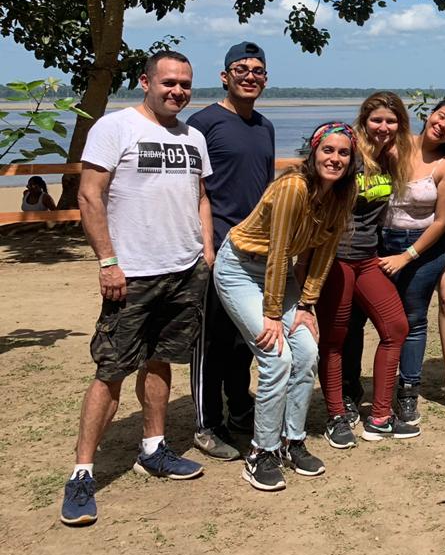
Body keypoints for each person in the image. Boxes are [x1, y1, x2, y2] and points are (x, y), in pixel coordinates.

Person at [61, 50, 214, 527]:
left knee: (161, 359)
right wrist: (107, 261)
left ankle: (154, 447)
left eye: (185, 84)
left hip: (184, 269)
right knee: (112, 369)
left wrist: (205, 252)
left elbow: (201, 196)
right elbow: (90, 194)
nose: (177, 91)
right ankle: (83, 472)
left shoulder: (193, 136)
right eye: (168, 82)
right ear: (146, 81)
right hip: (132, 272)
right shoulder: (114, 127)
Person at [215, 121, 356, 490]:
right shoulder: (294, 186)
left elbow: (325, 252)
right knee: (276, 355)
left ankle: (293, 440)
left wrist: (308, 304)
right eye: (328, 150)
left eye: (343, 153)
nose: (335, 158)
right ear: (313, 152)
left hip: (282, 278)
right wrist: (273, 314)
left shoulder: (344, 193)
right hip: (241, 269)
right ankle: (262, 451)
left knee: (307, 352)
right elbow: (278, 252)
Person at [187, 41, 275, 462]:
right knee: (211, 343)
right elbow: (192, 190)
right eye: (241, 69)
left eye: (258, 70)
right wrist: (204, 245)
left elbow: (266, 193)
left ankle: (240, 407)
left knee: (245, 336)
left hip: (254, 251)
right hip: (215, 247)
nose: (250, 76)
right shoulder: (202, 123)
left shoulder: (264, 127)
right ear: (224, 76)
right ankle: (207, 424)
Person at [373, 99, 445, 415]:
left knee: (413, 319)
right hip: (380, 240)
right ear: (429, 115)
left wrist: (407, 256)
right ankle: (367, 389)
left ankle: (408, 391)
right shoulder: (393, 146)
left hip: (421, 249)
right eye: (442, 116)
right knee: (378, 320)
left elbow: (441, 221)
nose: (444, 125)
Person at [319, 94, 416, 449]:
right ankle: (336, 415)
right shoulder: (348, 153)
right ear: (364, 121)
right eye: (377, 120)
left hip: (368, 259)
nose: (384, 127)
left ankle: (379, 415)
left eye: (391, 121)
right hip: (336, 260)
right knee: (334, 337)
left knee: (395, 327)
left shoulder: (392, 159)